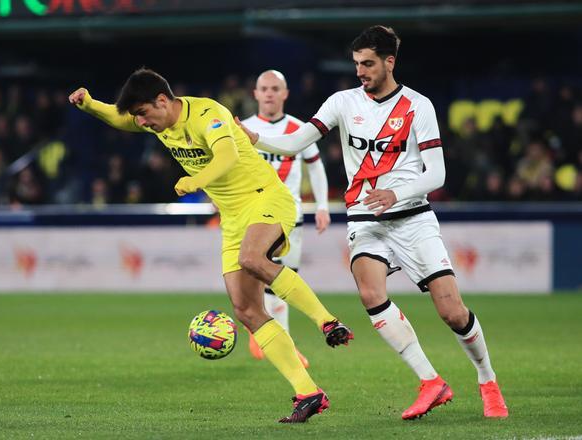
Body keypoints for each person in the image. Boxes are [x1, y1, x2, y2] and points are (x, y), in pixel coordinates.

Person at [238, 26, 509, 420]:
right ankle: (431, 381)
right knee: (370, 294)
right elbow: (298, 142)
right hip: (365, 217)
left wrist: (397, 193)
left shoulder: (418, 106)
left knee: (451, 311)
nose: (360, 71)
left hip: (413, 217)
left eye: (368, 64)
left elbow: (437, 174)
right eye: (356, 64)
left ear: (389, 62)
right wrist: (255, 139)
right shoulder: (342, 102)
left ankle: (487, 379)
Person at [68, 68, 353, 423]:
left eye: (144, 113)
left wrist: (195, 181)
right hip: (233, 217)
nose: (142, 122)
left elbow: (228, 156)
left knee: (252, 258)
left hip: (266, 198)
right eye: (139, 116)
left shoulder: (208, 113)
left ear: (162, 100)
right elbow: (121, 118)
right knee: (246, 310)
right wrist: (90, 105)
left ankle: (326, 321)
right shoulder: (153, 121)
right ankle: (308, 392)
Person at [242, 70, 331, 368]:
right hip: (255, 214)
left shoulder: (299, 129)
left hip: (291, 215)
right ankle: (283, 344)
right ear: (255, 94)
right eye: (263, 88)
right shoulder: (242, 128)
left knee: (284, 279)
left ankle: (262, 331)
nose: (268, 93)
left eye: (274, 88)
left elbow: (316, 168)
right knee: (270, 277)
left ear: (285, 93)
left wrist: (322, 206)